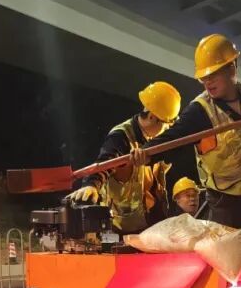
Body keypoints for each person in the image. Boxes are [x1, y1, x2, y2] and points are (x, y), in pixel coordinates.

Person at [132, 34, 241, 228]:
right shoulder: (200, 111)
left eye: (213, 75)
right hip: (228, 207)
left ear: (232, 68)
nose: (208, 82)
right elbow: (173, 138)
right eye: (204, 77)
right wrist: (146, 153)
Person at [68, 81, 181, 234]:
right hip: (122, 226)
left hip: (151, 223)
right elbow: (106, 162)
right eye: (166, 123)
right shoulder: (121, 137)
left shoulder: (155, 139)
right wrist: (91, 184)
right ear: (152, 117)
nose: (168, 129)